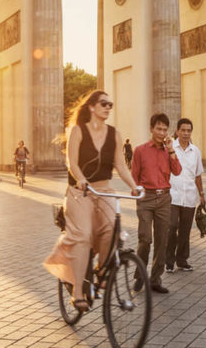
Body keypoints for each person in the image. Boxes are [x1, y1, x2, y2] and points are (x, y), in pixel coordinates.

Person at [44, 90, 139, 313]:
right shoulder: (78, 131)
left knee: (111, 227)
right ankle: (78, 294)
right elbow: (72, 163)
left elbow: (120, 165)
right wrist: (82, 180)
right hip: (81, 191)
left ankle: (102, 272)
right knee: (83, 235)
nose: (108, 107)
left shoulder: (114, 134)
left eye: (110, 105)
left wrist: (135, 185)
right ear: (92, 107)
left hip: (104, 189)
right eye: (103, 103)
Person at [131, 113, 182, 294]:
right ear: (151, 129)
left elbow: (177, 171)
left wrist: (171, 151)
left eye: (164, 129)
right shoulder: (140, 150)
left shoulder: (169, 150)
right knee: (145, 238)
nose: (161, 132)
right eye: (158, 128)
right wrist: (136, 192)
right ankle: (140, 275)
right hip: (146, 198)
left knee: (162, 240)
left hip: (164, 199)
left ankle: (155, 279)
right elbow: (134, 176)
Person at [165, 118, 204, 274]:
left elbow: (198, 175)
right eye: (183, 130)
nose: (186, 133)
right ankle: (169, 261)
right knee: (172, 226)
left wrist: (202, 194)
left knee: (185, 230)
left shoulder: (195, 151)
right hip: (172, 195)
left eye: (189, 130)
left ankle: (182, 260)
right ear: (177, 131)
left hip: (189, 196)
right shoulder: (169, 148)